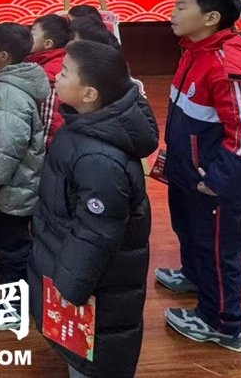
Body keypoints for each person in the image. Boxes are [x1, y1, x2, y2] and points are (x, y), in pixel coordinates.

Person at [157, 0, 241, 354]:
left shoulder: (228, 63)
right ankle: (194, 277)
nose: (172, 14)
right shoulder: (195, 51)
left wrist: (217, 180)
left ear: (211, 18)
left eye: (182, 7)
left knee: (217, 252)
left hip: (214, 183)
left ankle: (223, 324)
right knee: (191, 233)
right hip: (191, 173)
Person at [29, 41, 159, 378]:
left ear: (89, 94)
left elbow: (96, 234)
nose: (56, 77)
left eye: (65, 73)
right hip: (72, 267)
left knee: (94, 358)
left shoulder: (98, 158)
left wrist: (68, 288)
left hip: (93, 286)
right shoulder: (84, 126)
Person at [0, 22, 50, 329]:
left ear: (4, 55)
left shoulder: (8, 94)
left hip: (11, 186)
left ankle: (14, 308)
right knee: (11, 241)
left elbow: (6, 145)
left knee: (12, 245)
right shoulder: (16, 82)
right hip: (19, 182)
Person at [29, 14, 70, 145]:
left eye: (32, 34)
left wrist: (44, 147)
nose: (27, 38)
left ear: (47, 44)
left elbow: (50, 118)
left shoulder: (51, 71)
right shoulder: (55, 61)